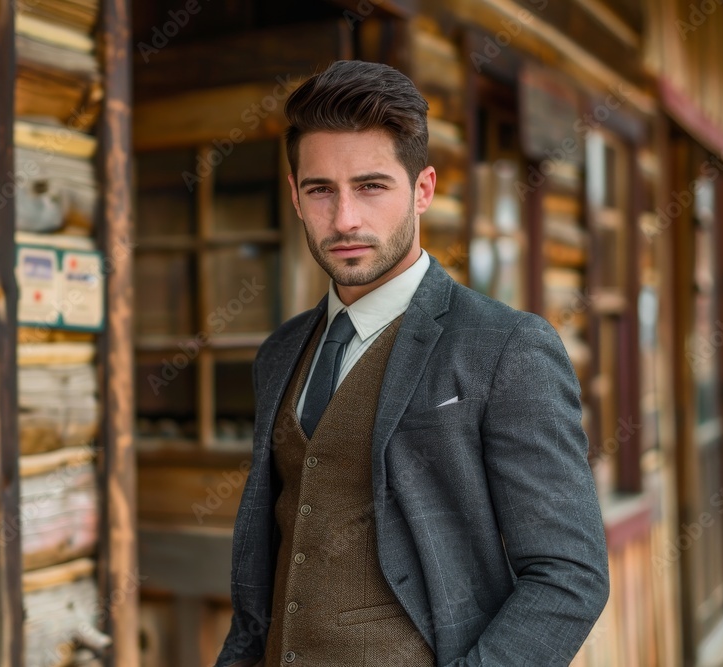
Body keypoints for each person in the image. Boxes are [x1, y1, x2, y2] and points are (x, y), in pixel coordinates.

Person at [215, 59, 609, 667]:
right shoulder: (281, 352)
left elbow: (569, 574)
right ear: (295, 197)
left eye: (371, 186)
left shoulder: (507, 348)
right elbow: (269, 560)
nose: (345, 218)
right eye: (321, 190)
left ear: (422, 189)